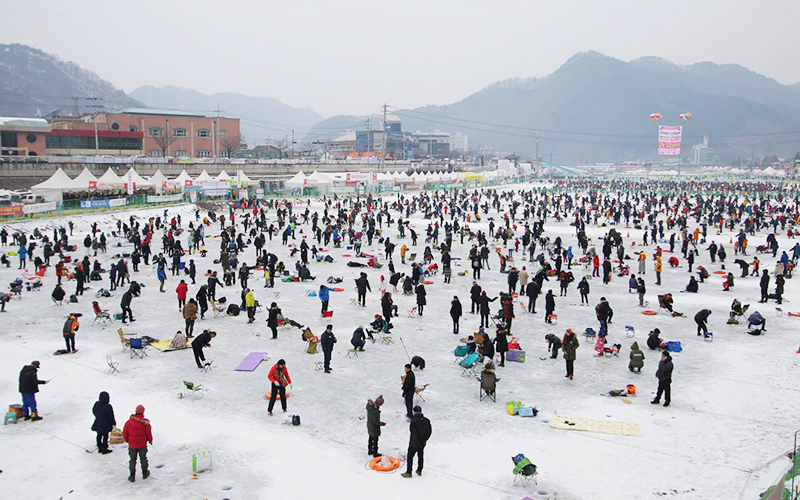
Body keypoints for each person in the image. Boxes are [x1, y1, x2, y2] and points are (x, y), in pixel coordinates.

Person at [122, 404, 153, 482]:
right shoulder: (145, 423)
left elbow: (124, 433)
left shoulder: (128, 422)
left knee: (132, 460)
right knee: (143, 459)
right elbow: (148, 433)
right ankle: (145, 473)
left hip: (132, 445)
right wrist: (150, 440)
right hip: (142, 444)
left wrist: (128, 440)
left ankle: (132, 476)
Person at [401, 405, 432, 478]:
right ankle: (419, 470)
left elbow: (413, 432)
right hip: (422, 443)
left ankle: (409, 472)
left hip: (414, 443)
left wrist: (418, 441)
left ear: (414, 411)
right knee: (420, 456)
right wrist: (424, 440)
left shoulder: (413, 421)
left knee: (410, 457)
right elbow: (429, 432)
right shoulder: (426, 420)